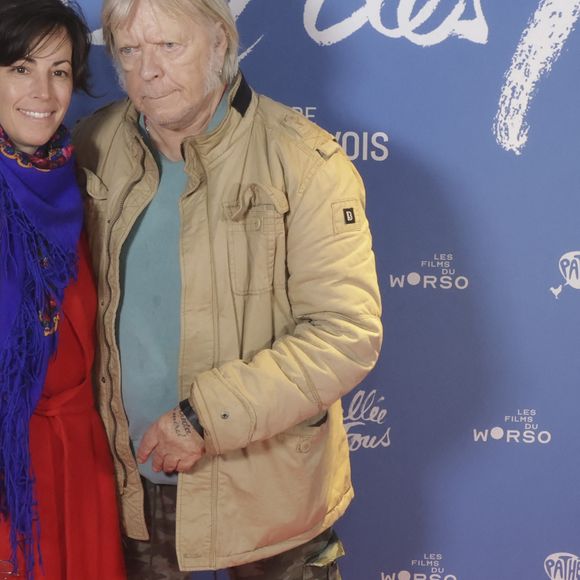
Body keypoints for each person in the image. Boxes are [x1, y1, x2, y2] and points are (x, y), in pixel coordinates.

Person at [73, 0, 382, 577]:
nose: (148, 71)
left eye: (169, 46)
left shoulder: (306, 162)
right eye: (131, 51)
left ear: (219, 42)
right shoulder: (96, 144)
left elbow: (346, 333)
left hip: (269, 503)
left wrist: (202, 419)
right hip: (133, 493)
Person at [0, 1, 126, 578]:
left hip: (80, 462)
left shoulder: (76, 177)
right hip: (11, 474)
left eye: (60, 70)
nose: (43, 92)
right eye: (21, 68)